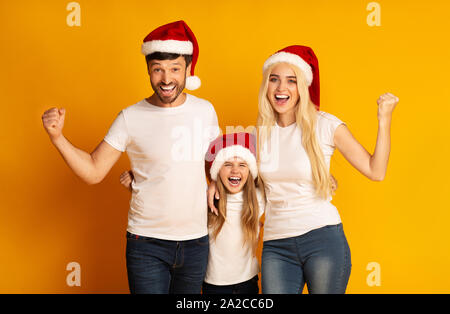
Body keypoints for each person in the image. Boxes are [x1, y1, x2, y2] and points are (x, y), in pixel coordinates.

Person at [41, 20, 219, 294]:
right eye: (158, 70)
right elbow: (93, 171)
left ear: (188, 69)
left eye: (175, 69)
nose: (167, 79)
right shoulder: (130, 117)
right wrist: (57, 138)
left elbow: (216, 162)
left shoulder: (204, 111)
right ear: (148, 70)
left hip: (196, 242)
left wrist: (216, 181)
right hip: (146, 243)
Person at [208, 45, 399, 294]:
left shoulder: (325, 126)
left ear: (303, 88)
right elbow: (223, 160)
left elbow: (376, 171)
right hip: (277, 246)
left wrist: (384, 120)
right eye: (274, 80)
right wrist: (211, 181)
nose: (281, 88)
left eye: (291, 81)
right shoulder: (258, 135)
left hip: (323, 238)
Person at [120, 132, 265, 294]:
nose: (235, 170)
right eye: (228, 164)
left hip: (248, 282)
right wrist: (135, 185)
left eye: (242, 165)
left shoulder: (257, 199)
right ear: (217, 170)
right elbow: (170, 199)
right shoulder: (206, 198)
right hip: (213, 285)